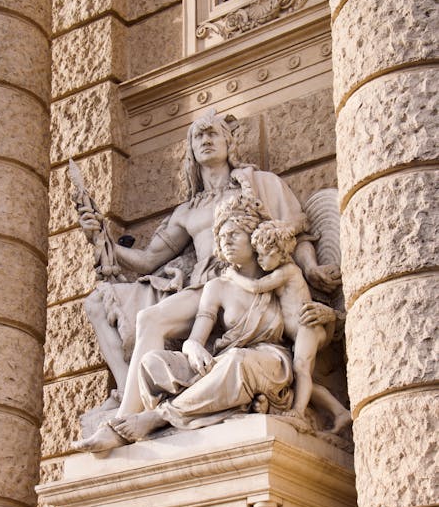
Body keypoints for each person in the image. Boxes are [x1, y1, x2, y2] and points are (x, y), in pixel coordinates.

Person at [75, 110, 340, 452]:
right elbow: (148, 259)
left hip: (247, 281)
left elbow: (293, 233)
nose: (205, 140)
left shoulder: (260, 184)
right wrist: (102, 237)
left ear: (230, 143)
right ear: (191, 150)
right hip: (206, 284)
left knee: (153, 319)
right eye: (198, 136)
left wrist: (313, 266)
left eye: (212, 133)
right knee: (145, 316)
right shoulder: (188, 210)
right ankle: (128, 410)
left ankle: (126, 423)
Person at [110, 194, 293, 443]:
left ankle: (159, 417)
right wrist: (193, 347)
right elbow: (195, 339)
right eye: (222, 236)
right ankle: (227, 403)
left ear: (253, 238)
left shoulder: (280, 280)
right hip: (221, 361)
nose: (225, 242)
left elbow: (302, 330)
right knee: (152, 362)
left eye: (234, 235)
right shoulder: (216, 286)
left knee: (237, 362)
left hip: (269, 360)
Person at [224, 220, 351, 432]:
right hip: (301, 332)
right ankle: (339, 412)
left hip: (307, 328)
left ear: (280, 253)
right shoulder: (280, 269)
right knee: (300, 377)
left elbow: (256, 286)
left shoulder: (288, 271)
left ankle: (298, 413)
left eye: (264, 254)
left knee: (301, 370)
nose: (260, 259)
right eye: (258, 254)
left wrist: (232, 275)